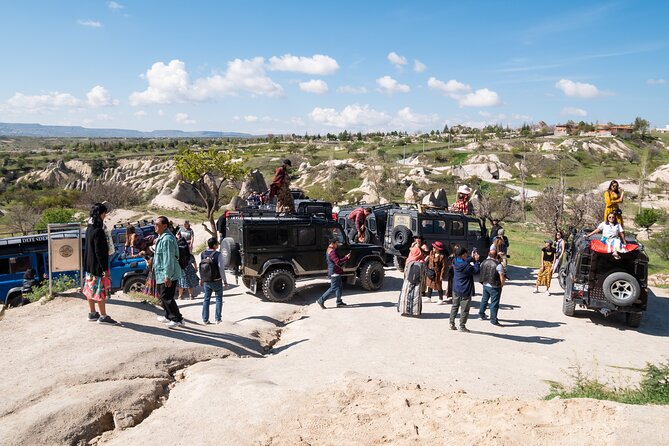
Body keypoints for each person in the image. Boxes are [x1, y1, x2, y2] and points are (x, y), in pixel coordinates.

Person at [83, 202, 117, 324]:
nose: (105, 216)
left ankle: (92, 313)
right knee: (100, 291)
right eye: (104, 213)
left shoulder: (89, 229)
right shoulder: (98, 231)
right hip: (97, 267)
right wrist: (104, 269)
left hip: (89, 266)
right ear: (101, 214)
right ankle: (103, 316)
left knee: (90, 290)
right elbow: (100, 252)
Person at [153, 216, 185, 329]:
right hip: (160, 272)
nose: (155, 226)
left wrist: (168, 275)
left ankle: (177, 319)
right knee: (163, 296)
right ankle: (168, 316)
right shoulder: (162, 237)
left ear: (165, 226)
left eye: (157, 224)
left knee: (167, 296)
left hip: (168, 273)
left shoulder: (167, 239)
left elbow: (168, 258)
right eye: (155, 224)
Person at [449, 246, 480, 332]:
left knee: (454, 306)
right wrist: (477, 261)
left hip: (456, 288)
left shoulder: (455, 260)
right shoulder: (466, 266)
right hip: (465, 289)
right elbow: (476, 271)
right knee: (465, 309)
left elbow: (465, 260)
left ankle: (451, 323)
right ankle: (462, 326)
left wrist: (471, 257)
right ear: (463, 255)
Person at [200, 237, 228, 324]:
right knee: (219, 299)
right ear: (215, 245)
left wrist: (202, 279)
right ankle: (218, 319)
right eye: (217, 244)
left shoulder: (203, 254)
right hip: (217, 280)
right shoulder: (218, 255)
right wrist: (225, 281)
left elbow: (202, 268)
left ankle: (205, 319)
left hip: (207, 280)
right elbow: (221, 269)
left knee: (206, 299)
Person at [316, 237, 351, 309]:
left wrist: (344, 257)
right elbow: (337, 261)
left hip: (335, 271)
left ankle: (339, 302)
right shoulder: (332, 251)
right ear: (333, 243)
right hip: (334, 272)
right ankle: (321, 300)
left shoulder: (330, 249)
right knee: (333, 288)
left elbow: (336, 259)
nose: (337, 245)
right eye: (336, 243)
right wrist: (346, 258)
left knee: (339, 287)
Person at [478, 246, 505, 326]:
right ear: (496, 255)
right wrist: (502, 285)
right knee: (494, 303)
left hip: (485, 284)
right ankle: (493, 319)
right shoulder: (498, 265)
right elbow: (502, 277)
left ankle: (481, 314)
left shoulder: (484, 262)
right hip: (495, 286)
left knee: (484, 300)